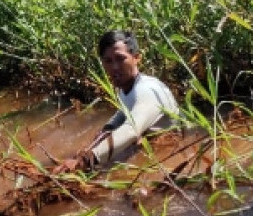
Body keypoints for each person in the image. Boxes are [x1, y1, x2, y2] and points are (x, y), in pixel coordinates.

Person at [55, 30, 180, 172]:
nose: (114, 67)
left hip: (168, 152)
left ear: (136, 58)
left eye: (120, 59)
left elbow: (131, 130)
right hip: (150, 144)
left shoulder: (147, 90)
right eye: (108, 61)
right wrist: (107, 129)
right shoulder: (127, 87)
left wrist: (85, 160)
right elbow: (125, 111)